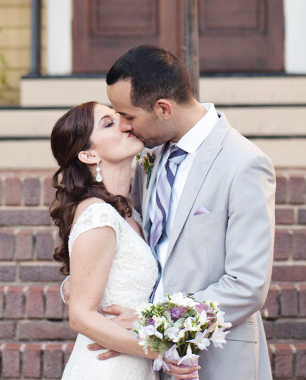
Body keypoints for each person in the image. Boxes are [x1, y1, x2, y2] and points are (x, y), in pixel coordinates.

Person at [83, 45, 275, 379]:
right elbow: (136, 244)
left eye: (128, 115)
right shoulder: (150, 157)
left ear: (163, 109)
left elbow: (247, 285)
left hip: (215, 362)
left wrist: (151, 321)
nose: (125, 127)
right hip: (146, 362)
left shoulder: (244, 163)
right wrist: (85, 284)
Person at [51, 102, 200, 380]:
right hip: (106, 369)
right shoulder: (98, 214)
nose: (124, 123)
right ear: (88, 154)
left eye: (118, 115)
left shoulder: (133, 214)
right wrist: (161, 350)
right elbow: (81, 315)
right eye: (108, 123)